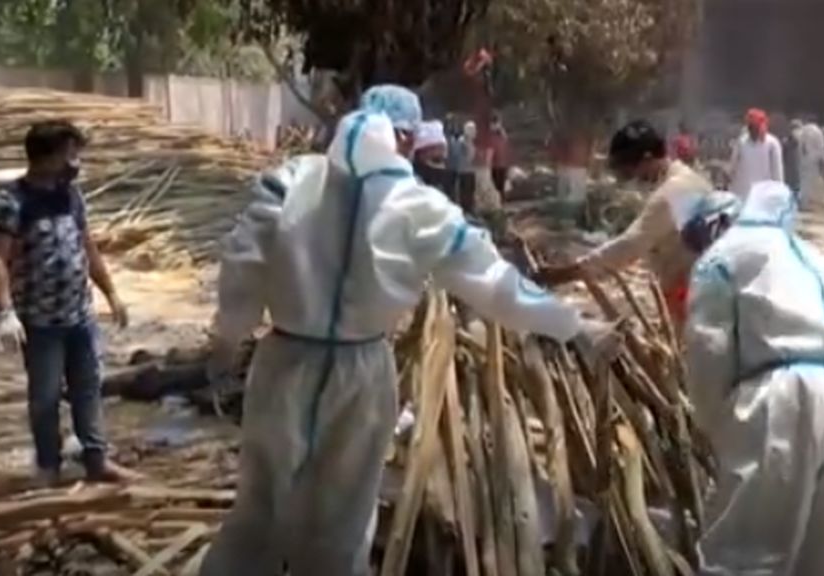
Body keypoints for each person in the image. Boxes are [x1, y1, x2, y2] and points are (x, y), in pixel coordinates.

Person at [198, 85, 605, 576]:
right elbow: (497, 286)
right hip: (363, 372)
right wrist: (572, 324)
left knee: (259, 510)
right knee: (343, 520)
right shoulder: (419, 208)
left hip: (285, 362)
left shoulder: (290, 180)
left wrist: (227, 339)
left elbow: (242, 268)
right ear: (406, 139)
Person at [687, 180, 824, 576]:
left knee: (746, 555)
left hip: (789, 396)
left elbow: (709, 347)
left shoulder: (722, 257)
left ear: (716, 225)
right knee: (817, 553)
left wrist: (715, 421)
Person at [0, 120, 130, 486]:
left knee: (88, 388)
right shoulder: (10, 202)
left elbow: (88, 246)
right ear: (47, 157)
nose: (75, 161)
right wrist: (5, 312)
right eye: (70, 153)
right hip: (40, 320)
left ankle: (97, 460)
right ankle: (49, 467)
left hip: (80, 315)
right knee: (45, 397)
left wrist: (110, 293)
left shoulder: (70, 196)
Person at [535, 120, 737, 329]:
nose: (634, 178)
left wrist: (572, 271)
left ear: (647, 159)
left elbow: (630, 245)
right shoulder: (691, 179)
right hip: (709, 290)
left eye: (632, 169)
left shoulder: (671, 193)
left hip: (691, 294)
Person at [729, 108, 784, 198]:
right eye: (750, 127)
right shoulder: (741, 142)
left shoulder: (772, 144)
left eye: (754, 127)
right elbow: (733, 167)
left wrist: (778, 193)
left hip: (762, 196)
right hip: (742, 194)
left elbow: (777, 172)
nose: (752, 130)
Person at [796, 117, 824, 205]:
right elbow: (821, 146)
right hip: (813, 159)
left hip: (802, 158)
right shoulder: (817, 131)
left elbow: (799, 144)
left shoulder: (802, 130)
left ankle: (801, 200)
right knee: (809, 181)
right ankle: (804, 202)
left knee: (802, 180)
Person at [412, 120, 450, 193]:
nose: (442, 151)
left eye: (442, 147)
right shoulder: (415, 177)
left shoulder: (442, 171)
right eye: (437, 147)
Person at [489, 112, 511, 197]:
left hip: (501, 163)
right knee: (495, 184)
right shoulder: (491, 134)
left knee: (500, 185)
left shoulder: (502, 134)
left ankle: (501, 202)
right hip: (493, 163)